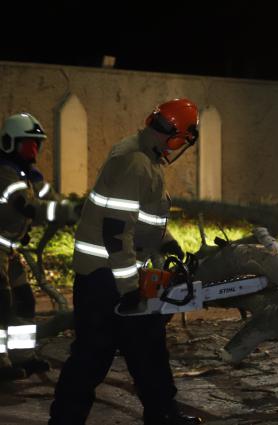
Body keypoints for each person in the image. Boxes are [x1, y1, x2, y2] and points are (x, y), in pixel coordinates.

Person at [49, 99, 201, 425]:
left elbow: (140, 219)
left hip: (111, 274)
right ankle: (63, 420)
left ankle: (162, 413)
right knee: (93, 355)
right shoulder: (137, 162)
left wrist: (170, 245)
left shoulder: (142, 154)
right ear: (177, 136)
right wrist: (130, 288)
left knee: (148, 346)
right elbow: (116, 232)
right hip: (104, 278)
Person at [0, 112, 77, 381]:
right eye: (28, 144)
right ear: (10, 143)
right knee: (2, 304)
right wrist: (67, 212)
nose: (34, 149)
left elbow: (50, 198)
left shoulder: (30, 175)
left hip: (9, 249)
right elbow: (31, 207)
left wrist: (73, 208)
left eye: (36, 144)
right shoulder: (5, 174)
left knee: (23, 302)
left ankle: (23, 357)